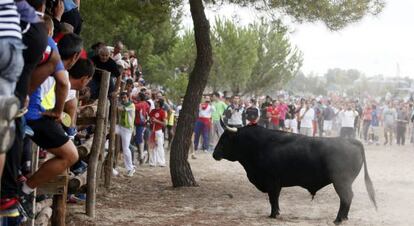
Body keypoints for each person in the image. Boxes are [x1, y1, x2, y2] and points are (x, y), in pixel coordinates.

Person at [117, 92, 136, 176]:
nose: (123, 99)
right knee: (108, 132)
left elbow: (120, 109)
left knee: (125, 148)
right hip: (120, 127)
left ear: (128, 97)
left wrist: (116, 103)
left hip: (127, 129)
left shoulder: (131, 105)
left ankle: (130, 168)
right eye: (122, 98)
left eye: (125, 97)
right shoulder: (122, 103)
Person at [149, 99, 167, 167]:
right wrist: (151, 121)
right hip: (152, 131)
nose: (155, 102)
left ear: (159, 104)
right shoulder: (153, 111)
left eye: (156, 102)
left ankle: (162, 162)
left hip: (158, 131)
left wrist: (156, 121)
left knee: (160, 147)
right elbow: (150, 119)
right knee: (153, 147)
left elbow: (164, 123)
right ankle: (153, 162)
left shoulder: (162, 112)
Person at [133, 92, 150, 164]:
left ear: (140, 97)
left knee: (139, 139)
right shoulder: (145, 103)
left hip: (140, 124)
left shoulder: (139, 105)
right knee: (139, 139)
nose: (136, 97)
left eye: (138, 96)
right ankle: (142, 154)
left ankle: (142, 156)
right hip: (142, 124)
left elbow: (134, 106)